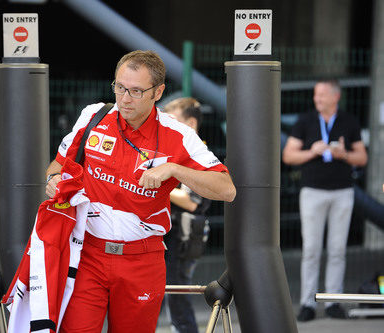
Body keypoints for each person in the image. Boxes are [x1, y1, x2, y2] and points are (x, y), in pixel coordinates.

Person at [45, 50, 236, 332]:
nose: (124, 98)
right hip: (87, 255)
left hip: (142, 260)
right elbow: (57, 166)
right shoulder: (93, 116)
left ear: (158, 92)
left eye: (136, 91)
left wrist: (174, 170)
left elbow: (227, 190)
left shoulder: (179, 134)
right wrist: (53, 179)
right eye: (119, 87)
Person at [282, 79, 368, 322]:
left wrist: (344, 154)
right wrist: (313, 151)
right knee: (311, 249)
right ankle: (308, 302)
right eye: (315, 95)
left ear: (335, 97)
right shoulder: (306, 120)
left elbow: (362, 157)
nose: (316, 99)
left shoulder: (348, 121)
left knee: (337, 249)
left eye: (321, 95)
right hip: (313, 191)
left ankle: (333, 301)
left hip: (342, 192)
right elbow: (288, 155)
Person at [162, 97, 211, 333]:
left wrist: (155, 183)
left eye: (174, 121)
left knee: (178, 295)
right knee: (172, 296)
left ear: (190, 123)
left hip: (184, 236)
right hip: (175, 234)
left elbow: (192, 201)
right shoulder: (177, 151)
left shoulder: (198, 154)